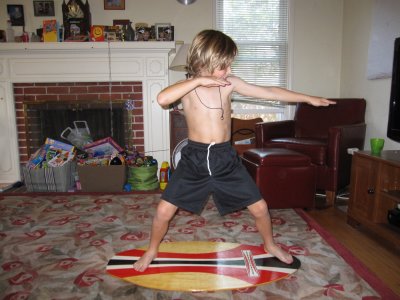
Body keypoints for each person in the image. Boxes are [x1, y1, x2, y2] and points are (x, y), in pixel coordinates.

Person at [133, 29, 335, 272]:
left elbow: (269, 91)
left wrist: (307, 98)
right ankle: (152, 249)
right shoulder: (186, 87)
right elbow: (162, 99)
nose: (228, 71)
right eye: (224, 66)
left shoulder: (229, 84)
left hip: (224, 158)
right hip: (194, 159)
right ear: (205, 61)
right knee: (164, 210)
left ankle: (269, 244)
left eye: (229, 65)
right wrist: (197, 80)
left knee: (260, 207)